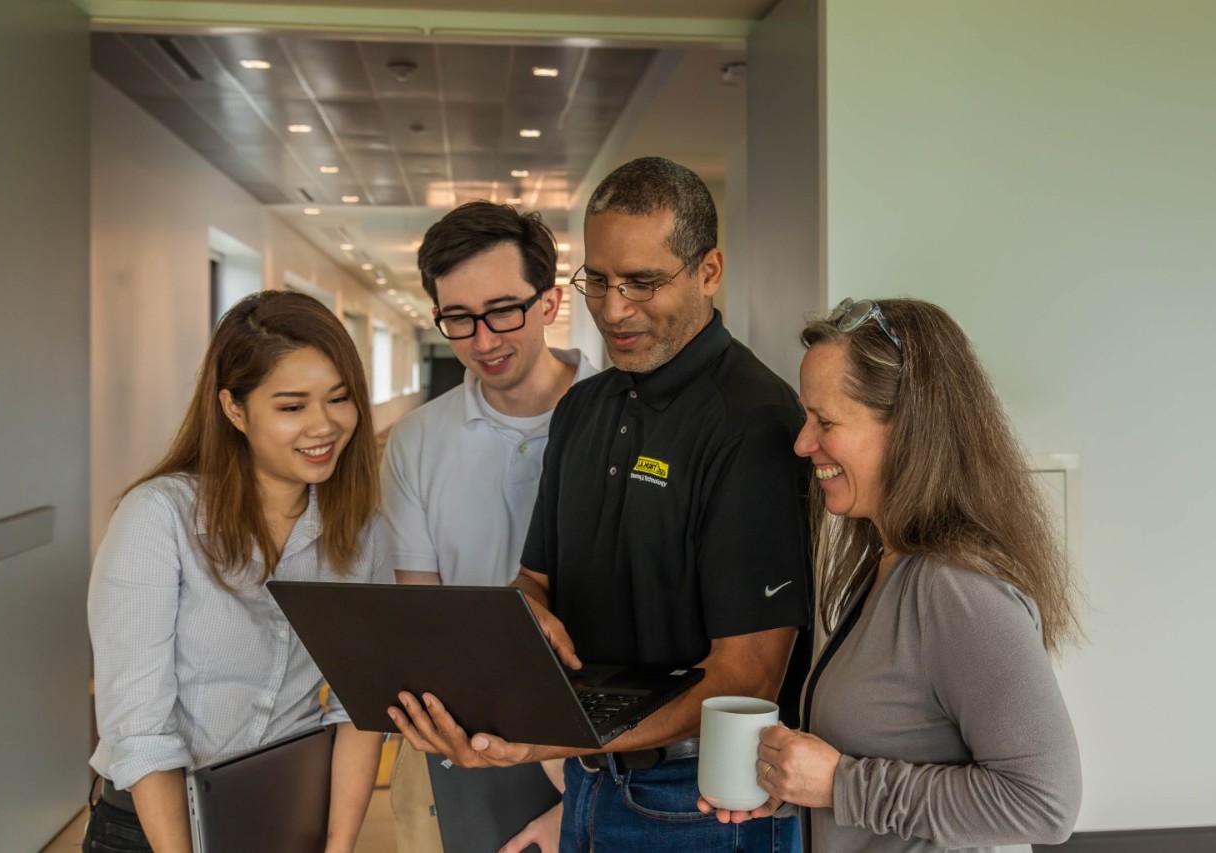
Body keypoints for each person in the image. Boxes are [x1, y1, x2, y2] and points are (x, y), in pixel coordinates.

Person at [389, 156, 814, 851]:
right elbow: (535, 582)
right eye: (600, 280)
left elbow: (748, 674)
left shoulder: (754, 419)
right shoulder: (584, 407)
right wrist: (522, 622)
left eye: (643, 282)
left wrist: (550, 736)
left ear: (709, 271)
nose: (614, 309)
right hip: (592, 784)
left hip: (704, 803)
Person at [704, 297, 1083, 852]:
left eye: (825, 422)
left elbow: (1044, 803)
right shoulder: (888, 562)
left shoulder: (958, 590)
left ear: (908, 429)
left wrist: (840, 784)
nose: (802, 443)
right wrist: (798, 781)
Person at [86, 290, 384, 853]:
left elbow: (357, 705)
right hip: (154, 827)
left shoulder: (357, 527)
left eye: (339, 399)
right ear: (234, 409)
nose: (324, 426)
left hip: (284, 818)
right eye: (292, 407)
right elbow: (139, 728)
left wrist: (338, 847)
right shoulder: (160, 518)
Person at [380, 200, 595, 853]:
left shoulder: (623, 418)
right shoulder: (417, 440)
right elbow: (424, 616)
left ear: (550, 301)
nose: (483, 339)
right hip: (458, 741)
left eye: (503, 309)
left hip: (602, 746)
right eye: (458, 318)